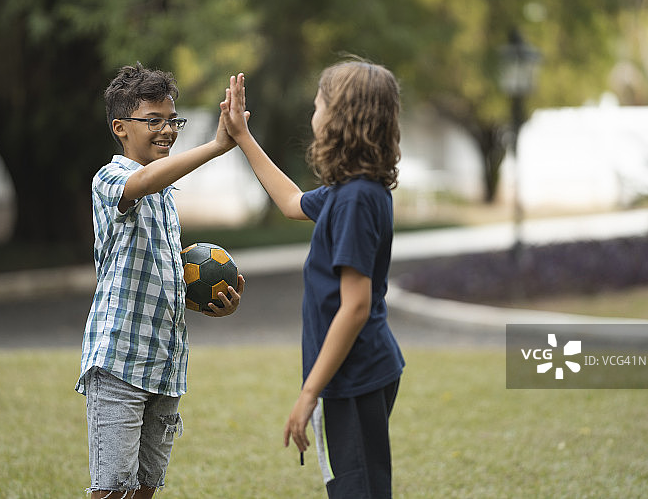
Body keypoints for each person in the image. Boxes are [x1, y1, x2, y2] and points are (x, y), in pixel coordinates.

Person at [220, 59, 404, 498]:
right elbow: (290, 201)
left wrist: (308, 393)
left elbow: (355, 305)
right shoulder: (352, 190)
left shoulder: (357, 199)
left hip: (355, 372)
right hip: (356, 369)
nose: (313, 115)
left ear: (343, 119)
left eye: (319, 105)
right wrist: (242, 137)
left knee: (358, 490)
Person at [76, 62, 245, 498]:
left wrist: (206, 300)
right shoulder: (111, 179)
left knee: (146, 489)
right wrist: (215, 146)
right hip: (119, 364)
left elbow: (159, 276)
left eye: (173, 120)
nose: (167, 130)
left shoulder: (166, 197)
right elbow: (143, 182)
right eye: (154, 121)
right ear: (120, 128)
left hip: (166, 367)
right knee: (112, 489)